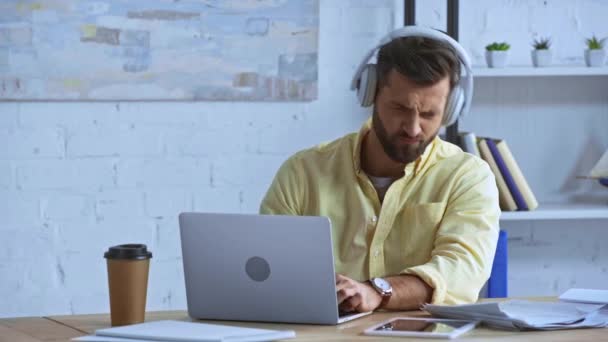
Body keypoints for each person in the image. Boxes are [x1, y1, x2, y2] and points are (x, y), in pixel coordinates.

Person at [259, 27, 500, 313]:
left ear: (449, 111)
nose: (412, 128)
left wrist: (378, 291)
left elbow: (461, 271)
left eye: (428, 114)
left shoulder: (468, 176)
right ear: (369, 93)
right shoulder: (303, 173)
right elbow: (268, 269)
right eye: (399, 108)